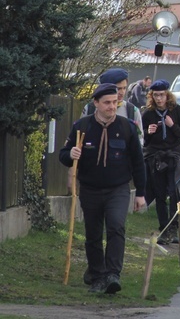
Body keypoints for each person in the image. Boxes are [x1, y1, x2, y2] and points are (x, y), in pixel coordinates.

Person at [59, 83, 146, 294]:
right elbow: (63, 154)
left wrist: (141, 193)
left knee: (116, 226)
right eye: (107, 103)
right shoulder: (82, 126)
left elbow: (138, 162)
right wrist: (71, 155)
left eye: (115, 102)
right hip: (90, 189)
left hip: (118, 189)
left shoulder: (127, 127)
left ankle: (113, 274)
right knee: (93, 233)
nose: (112, 106)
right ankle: (97, 275)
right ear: (96, 103)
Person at [142, 79, 180, 244]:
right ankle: (163, 228)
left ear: (167, 95)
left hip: (173, 156)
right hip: (155, 157)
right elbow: (144, 142)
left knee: (174, 192)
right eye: (155, 95)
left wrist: (172, 126)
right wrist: (148, 133)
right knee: (159, 195)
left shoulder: (176, 111)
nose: (159, 99)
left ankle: (173, 227)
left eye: (162, 95)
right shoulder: (148, 114)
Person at [83, 68, 143, 139]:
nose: (122, 92)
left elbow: (139, 139)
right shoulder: (90, 108)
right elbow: (80, 134)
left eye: (124, 88)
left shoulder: (132, 110)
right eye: (118, 89)